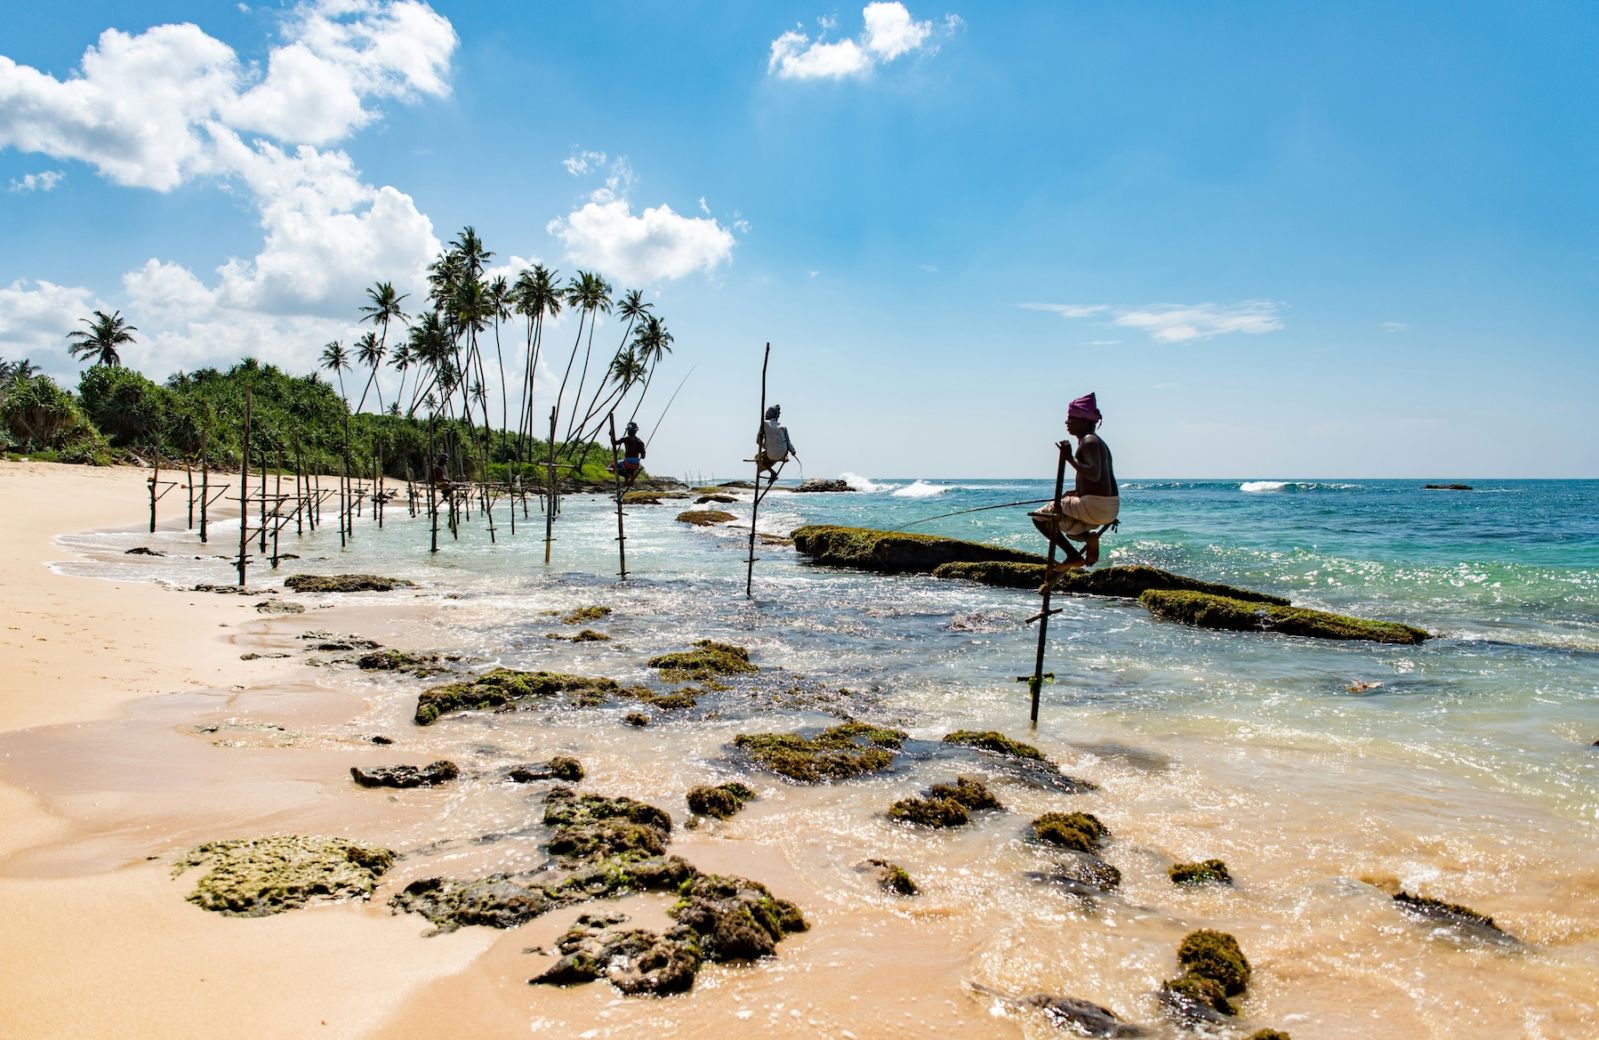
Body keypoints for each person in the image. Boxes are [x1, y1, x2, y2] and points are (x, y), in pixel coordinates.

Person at [1029, 392, 1118, 573]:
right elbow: (1101, 481)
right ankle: (1088, 538)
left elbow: (1093, 473)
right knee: (1070, 529)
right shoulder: (1100, 443)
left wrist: (1068, 458)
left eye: (1071, 418)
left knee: (1040, 517)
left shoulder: (1089, 440)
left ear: (1084, 421)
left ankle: (1073, 556)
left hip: (1094, 506)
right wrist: (1076, 492)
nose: (1067, 422)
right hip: (1109, 508)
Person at [755, 404, 796, 480]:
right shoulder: (783, 427)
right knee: (772, 457)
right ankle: (772, 473)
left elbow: (758, 441)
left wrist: (767, 447)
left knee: (757, 458)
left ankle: (772, 472)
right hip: (783, 454)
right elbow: (788, 443)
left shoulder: (764, 424)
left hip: (771, 455)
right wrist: (793, 452)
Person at [609, 421, 647, 490]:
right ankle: (628, 478)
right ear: (635, 431)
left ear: (629, 431)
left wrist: (611, 435)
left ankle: (626, 476)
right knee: (627, 466)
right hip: (636, 464)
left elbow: (614, 443)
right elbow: (643, 456)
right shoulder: (640, 442)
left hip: (627, 463)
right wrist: (641, 452)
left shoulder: (626, 438)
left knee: (611, 467)